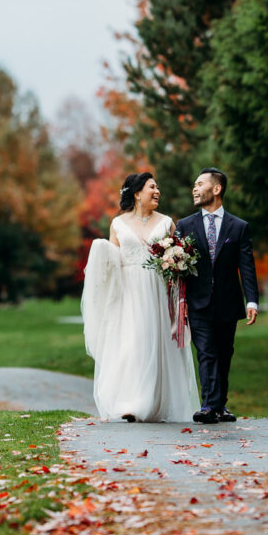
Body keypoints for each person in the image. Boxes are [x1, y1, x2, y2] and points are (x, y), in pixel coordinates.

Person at [81, 172, 200, 422]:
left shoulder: (167, 222)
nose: (157, 191)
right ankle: (130, 403)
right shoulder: (118, 224)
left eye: (158, 187)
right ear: (137, 193)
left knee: (154, 342)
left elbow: (177, 255)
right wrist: (101, 251)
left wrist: (176, 262)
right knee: (130, 345)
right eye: (152, 187)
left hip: (156, 291)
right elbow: (113, 258)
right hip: (127, 292)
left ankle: (155, 402)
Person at [175, 168, 259, 424]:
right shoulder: (185, 225)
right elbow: (178, 267)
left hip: (228, 302)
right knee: (207, 353)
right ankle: (209, 406)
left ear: (216, 188)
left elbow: (246, 266)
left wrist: (252, 300)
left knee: (224, 353)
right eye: (194, 185)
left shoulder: (239, 227)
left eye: (200, 184)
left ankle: (220, 405)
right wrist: (180, 301)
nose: (194, 189)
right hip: (197, 303)